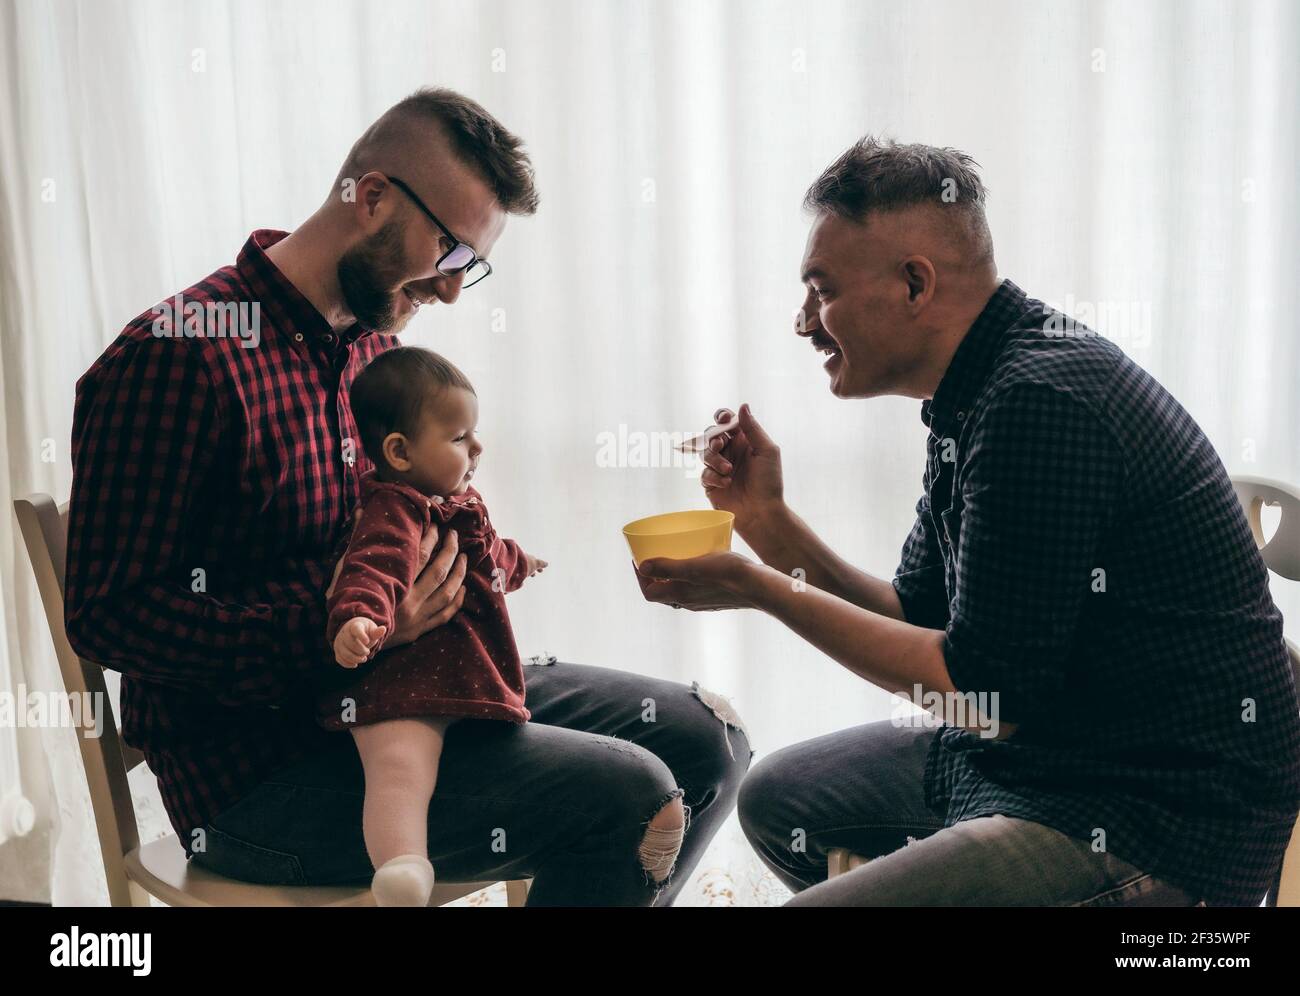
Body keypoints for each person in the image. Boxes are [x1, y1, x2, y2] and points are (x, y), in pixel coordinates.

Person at [65, 87, 750, 906]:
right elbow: (108, 615)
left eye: (472, 265)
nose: (454, 292)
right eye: (448, 251)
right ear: (375, 197)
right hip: (262, 774)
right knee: (629, 795)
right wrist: (344, 634)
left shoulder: (375, 357)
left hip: (419, 692)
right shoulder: (177, 358)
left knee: (709, 740)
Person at [636, 136, 1300, 906]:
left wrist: (763, 589)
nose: (803, 322)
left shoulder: (1039, 404)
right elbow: (919, 617)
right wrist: (768, 522)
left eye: (821, 290)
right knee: (786, 799)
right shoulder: (976, 392)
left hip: (1150, 812)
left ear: (914, 284)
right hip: (1051, 752)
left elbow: (985, 700)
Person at [318, 346, 546, 906]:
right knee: (399, 770)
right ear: (399, 452)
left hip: (466, 678)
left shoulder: (461, 501)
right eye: (459, 437)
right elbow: (371, 569)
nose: (477, 447)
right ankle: (401, 868)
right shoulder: (394, 509)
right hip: (399, 683)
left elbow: (490, 555)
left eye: (474, 433)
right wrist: (360, 619)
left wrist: (521, 562)